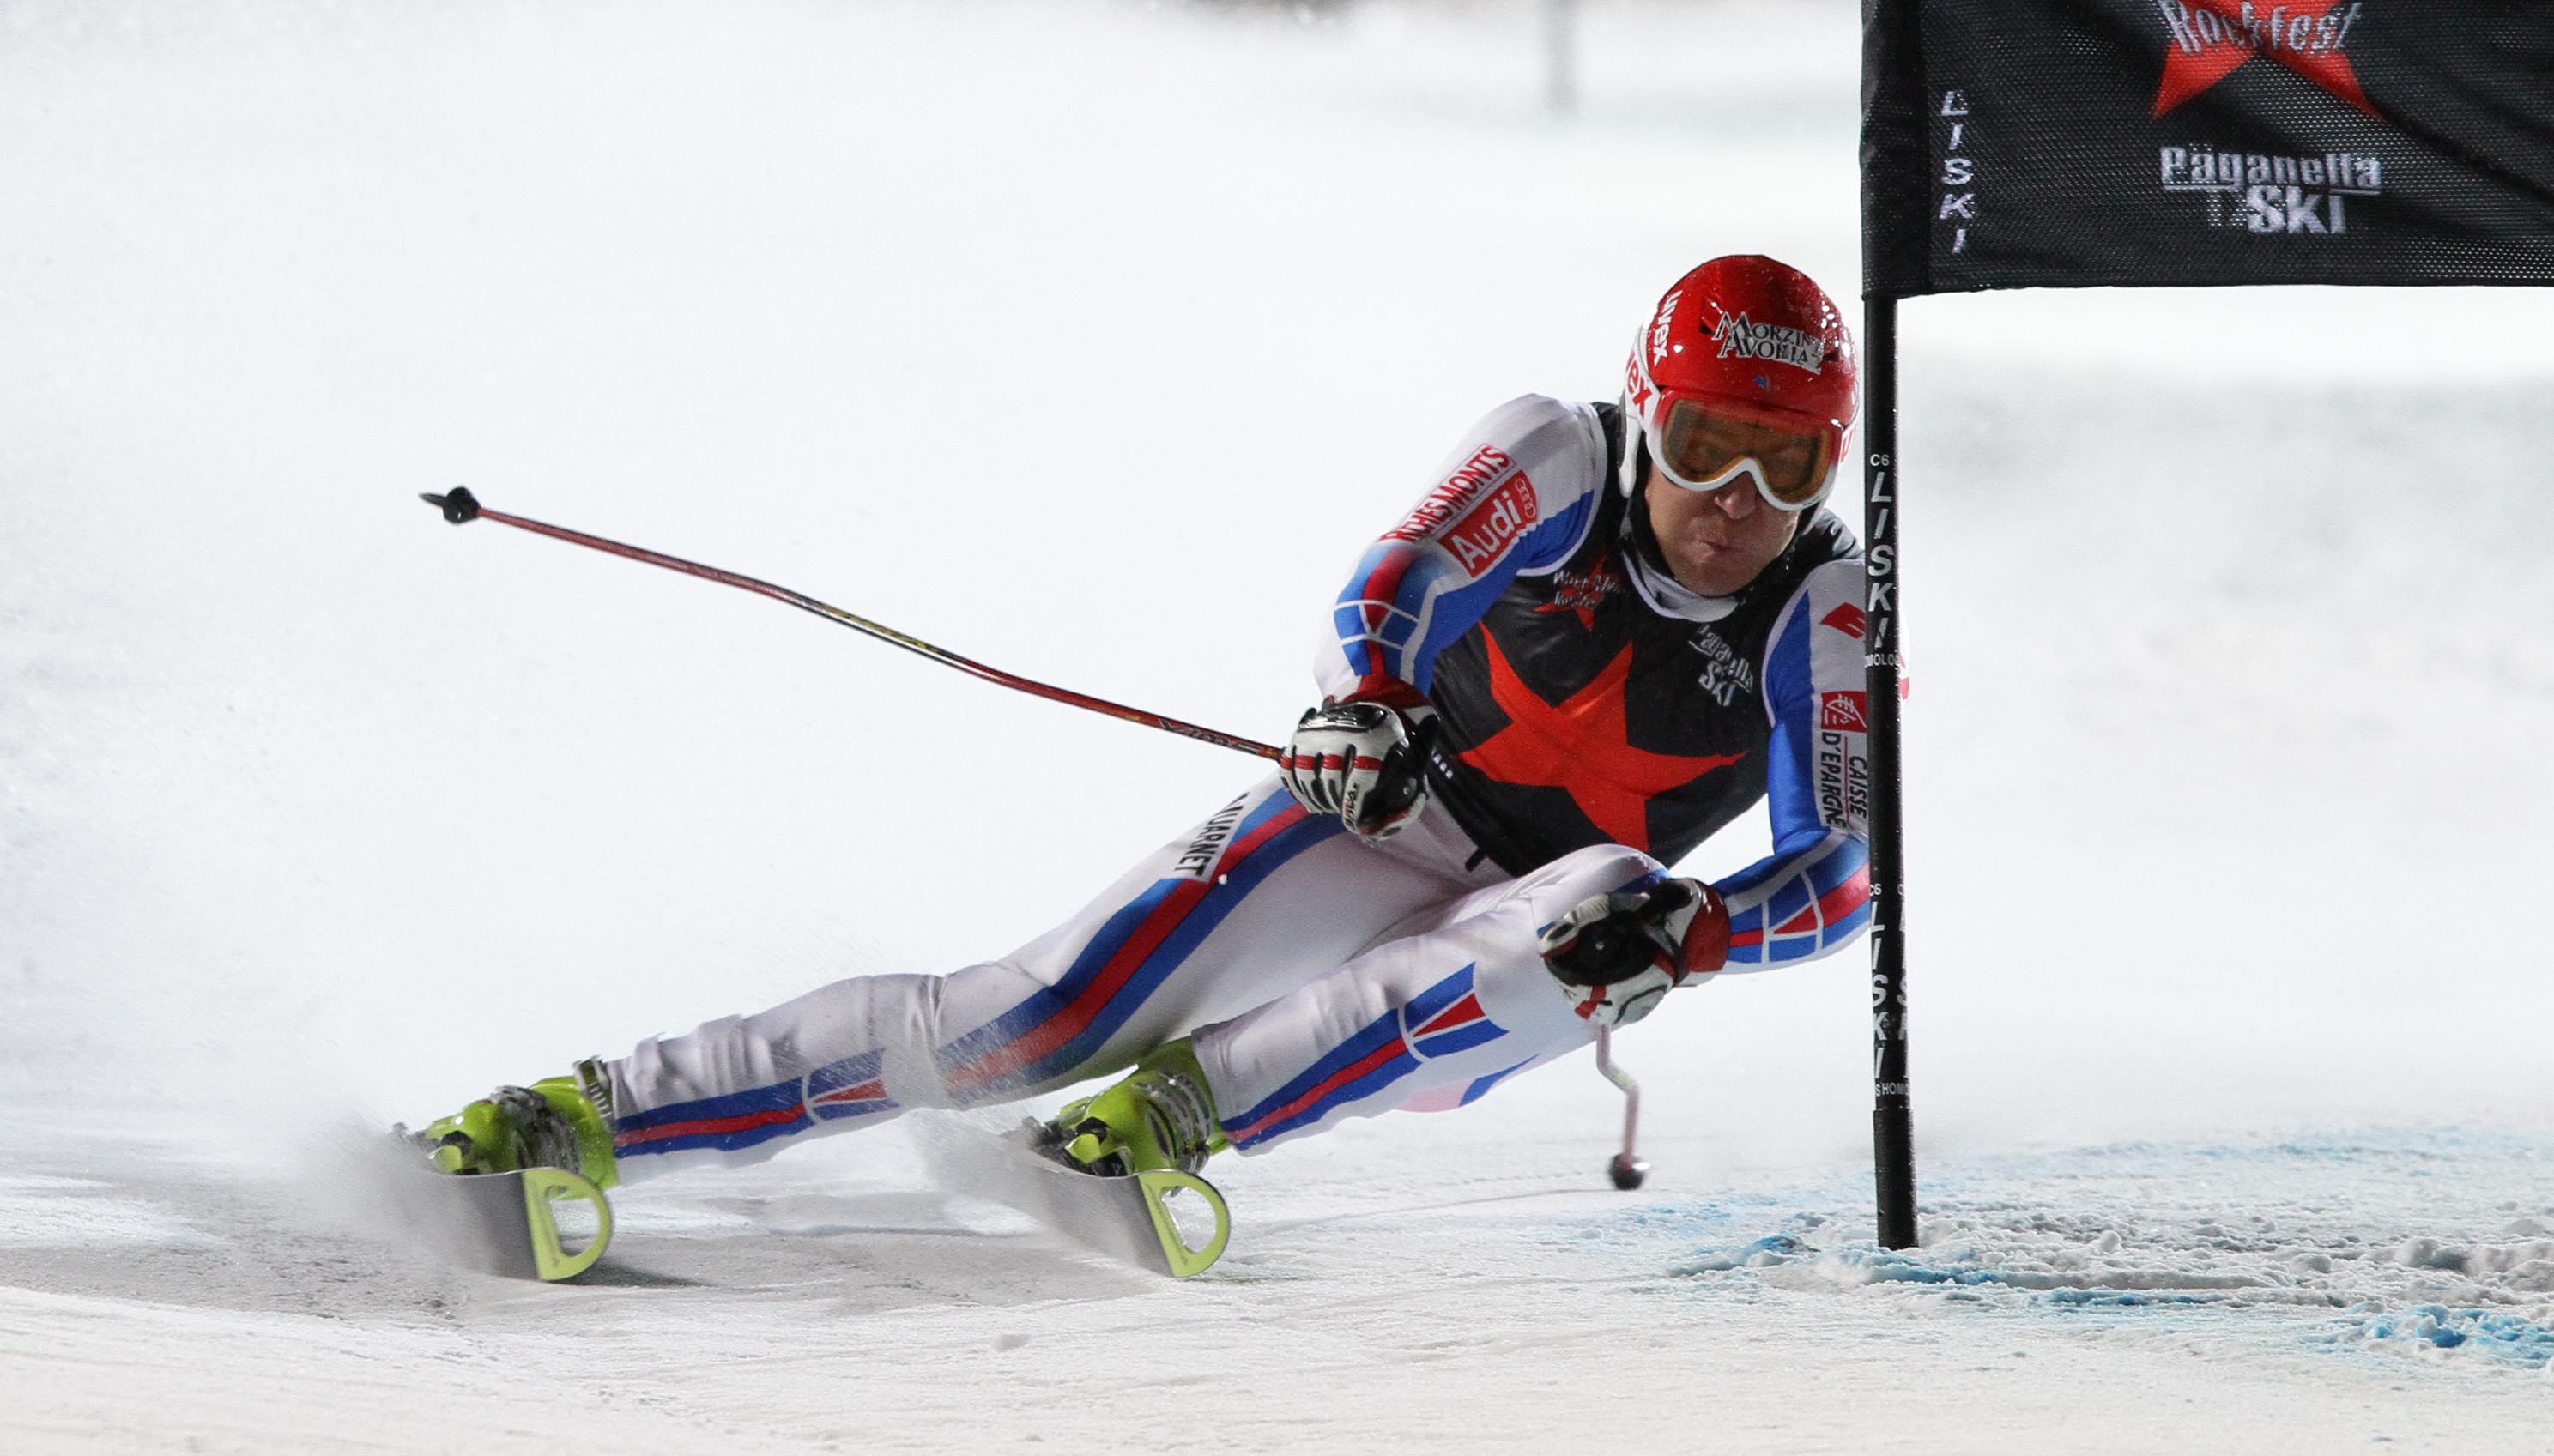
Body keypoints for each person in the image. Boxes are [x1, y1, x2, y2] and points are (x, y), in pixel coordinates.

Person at [419, 253, 1875, 1237]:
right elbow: (1397, 580)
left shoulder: (1827, 604)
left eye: (1786, 458)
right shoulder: (1563, 451)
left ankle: (1157, 1130)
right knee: (1024, 1023)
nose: (1735, 496)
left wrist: (1697, 935)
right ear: (1647, 416)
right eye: (1702, 444)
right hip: (1385, 814)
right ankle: (578, 1117)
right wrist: (1365, 702)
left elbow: (1842, 878)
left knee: (1604, 902)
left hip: (1543, 936)